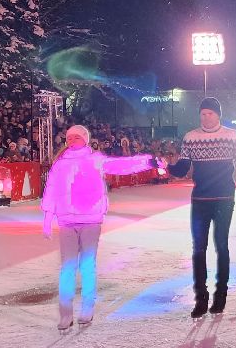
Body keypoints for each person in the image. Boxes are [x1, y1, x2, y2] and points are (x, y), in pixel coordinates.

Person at [40, 124, 155, 331]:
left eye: (77, 137)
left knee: (87, 265)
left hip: (91, 218)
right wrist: (48, 218)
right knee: (67, 267)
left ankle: (87, 308)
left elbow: (120, 166)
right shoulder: (60, 164)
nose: (72, 140)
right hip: (67, 219)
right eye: (69, 137)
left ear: (85, 138)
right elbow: (51, 190)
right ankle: (65, 313)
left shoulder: (95, 159)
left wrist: (147, 161)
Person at [169, 98, 236, 317]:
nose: (206, 117)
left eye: (210, 113)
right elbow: (183, 169)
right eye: (203, 114)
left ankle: (221, 295)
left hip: (223, 199)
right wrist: (166, 167)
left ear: (218, 115)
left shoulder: (231, 136)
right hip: (200, 200)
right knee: (198, 249)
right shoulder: (191, 138)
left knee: (222, 245)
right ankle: (201, 298)